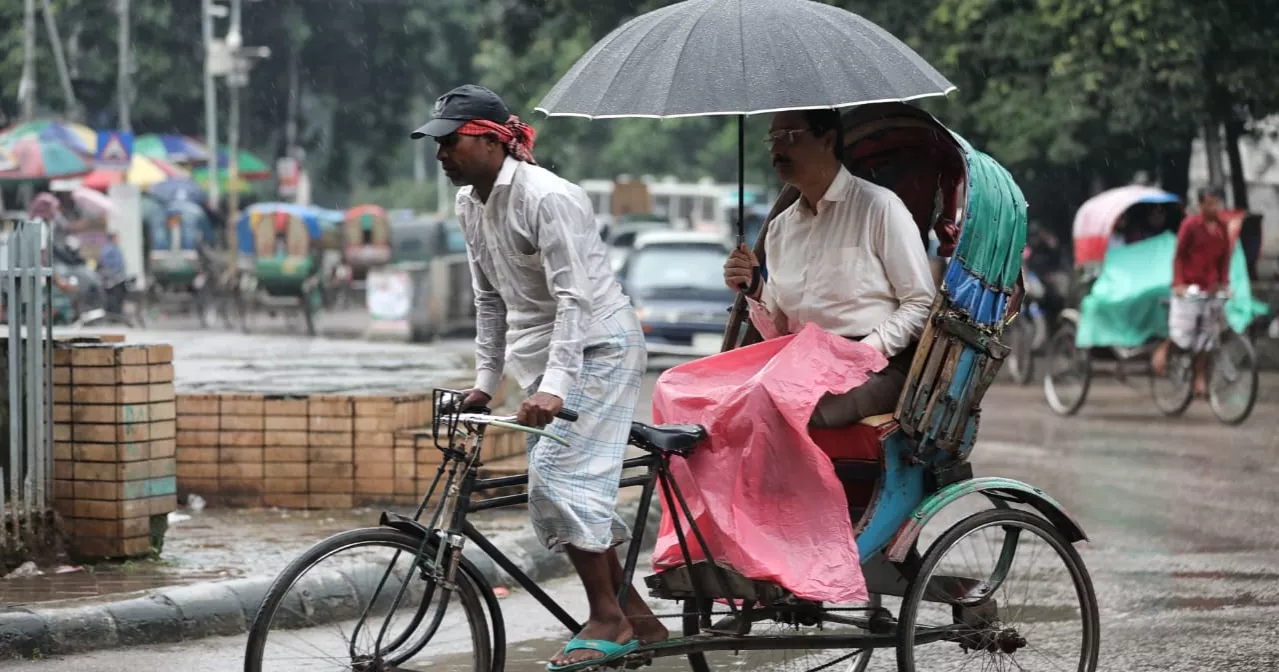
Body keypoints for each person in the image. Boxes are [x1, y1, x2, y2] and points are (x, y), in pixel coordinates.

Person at [411, 84, 663, 671]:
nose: (441, 154)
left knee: (555, 473)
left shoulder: (550, 198)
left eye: (450, 142)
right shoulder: (468, 204)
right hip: (544, 359)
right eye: (437, 145)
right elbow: (488, 300)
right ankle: (637, 616)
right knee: (566, 484)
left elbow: (574, 299)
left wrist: (554, 386)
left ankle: (607, 617)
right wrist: (485, 380)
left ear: (492, 139)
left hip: (598, 345)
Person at [722, 109, 937, 426]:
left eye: (791, 136)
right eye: (773, 138)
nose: (777, 149)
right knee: (709, 398)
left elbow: (920, 303)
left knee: (779, 410)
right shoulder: (781, 229)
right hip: (801, 362)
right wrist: (755, 288)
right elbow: (782, 330)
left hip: (878, 366)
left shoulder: (879, 208)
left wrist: (861, 354)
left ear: (828, 140)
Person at [1152, 186, 1242, 394]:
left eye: (1217, 203)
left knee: (1208, 336)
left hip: (1209, 286)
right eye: (1209, 203)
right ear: (1201, 204)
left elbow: (1224, 259)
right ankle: (1164, 350)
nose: (1214, 207)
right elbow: (1179, 256)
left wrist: (1224, 283)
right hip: (1189, 285)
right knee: (1183, 331)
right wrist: (1179, 283)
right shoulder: (1190, 225)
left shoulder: (1221, 228)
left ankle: (1199, 376)